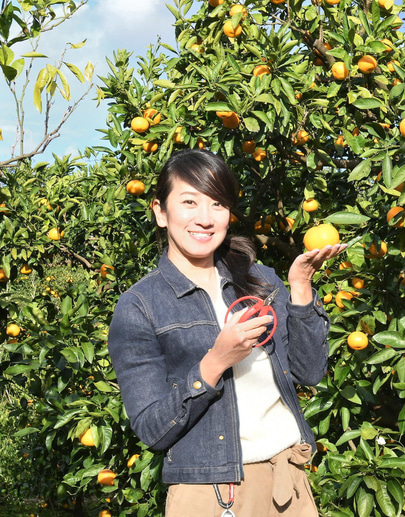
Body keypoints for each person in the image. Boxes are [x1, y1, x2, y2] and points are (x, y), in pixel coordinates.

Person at [108, 148, 345, 516]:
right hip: (212, 495)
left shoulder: (260, 279)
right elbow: (152, 430)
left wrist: (300, 289)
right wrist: (215, 362)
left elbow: (310, 371)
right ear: (160, 211)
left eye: (218, 204)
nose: (205, 218)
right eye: (189, 202)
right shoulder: (140, 306)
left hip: (289, 482)